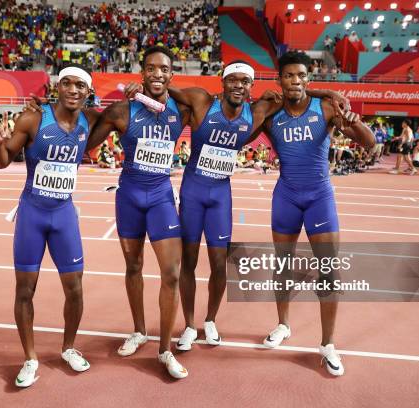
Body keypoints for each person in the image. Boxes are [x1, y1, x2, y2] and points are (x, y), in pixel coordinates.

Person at [123, 59, 349, 352]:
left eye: (245, 81)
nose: (238, 86)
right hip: (193, 190)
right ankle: (190, 325)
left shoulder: (259, 111)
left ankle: (211, 320)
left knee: (219, 263)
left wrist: (329, 95)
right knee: (188, 262)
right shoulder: (201, 100)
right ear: (223, 81)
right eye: (233, 80)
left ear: (252, 86)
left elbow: (296, 89)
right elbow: (165, 88)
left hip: (220, 195)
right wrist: (141, 88)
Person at [257, 50, 375, 377]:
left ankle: (327, 345)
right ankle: (283, 325)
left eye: (301, 75)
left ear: (308, 78)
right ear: (280, 79)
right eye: (289, 75)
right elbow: (244, 128)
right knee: (282, 265)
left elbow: (369, 143)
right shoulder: (270, 113)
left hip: (319, 196)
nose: (295, 80)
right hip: (286, 196)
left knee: (328, 271)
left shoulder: (326, 108)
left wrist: (355, 122)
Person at [84, 46, 192, 379]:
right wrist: (91, 107)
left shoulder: (183, 109)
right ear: (142, 73)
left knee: (171, 274)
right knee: (133, 265)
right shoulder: (122, 111)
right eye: (151, 68)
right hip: (129, 195)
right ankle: (139, 330)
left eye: (164, 69)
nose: (157, 74)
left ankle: (165, 350)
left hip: (161, 196)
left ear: (171, 75)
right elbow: (88, 141)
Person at [0, 66, 99, 388]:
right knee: (25, 290)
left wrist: (138, 96)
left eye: (80, 85)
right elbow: (1, 160)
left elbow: (124, 116)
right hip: (33, 214)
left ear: (88, 92)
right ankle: (30, 358)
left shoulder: (91, 121)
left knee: (75, 288)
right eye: (67, 83)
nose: (73, 89)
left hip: (64, 215)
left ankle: (68, 347)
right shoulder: (33, 119)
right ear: (57, 86)